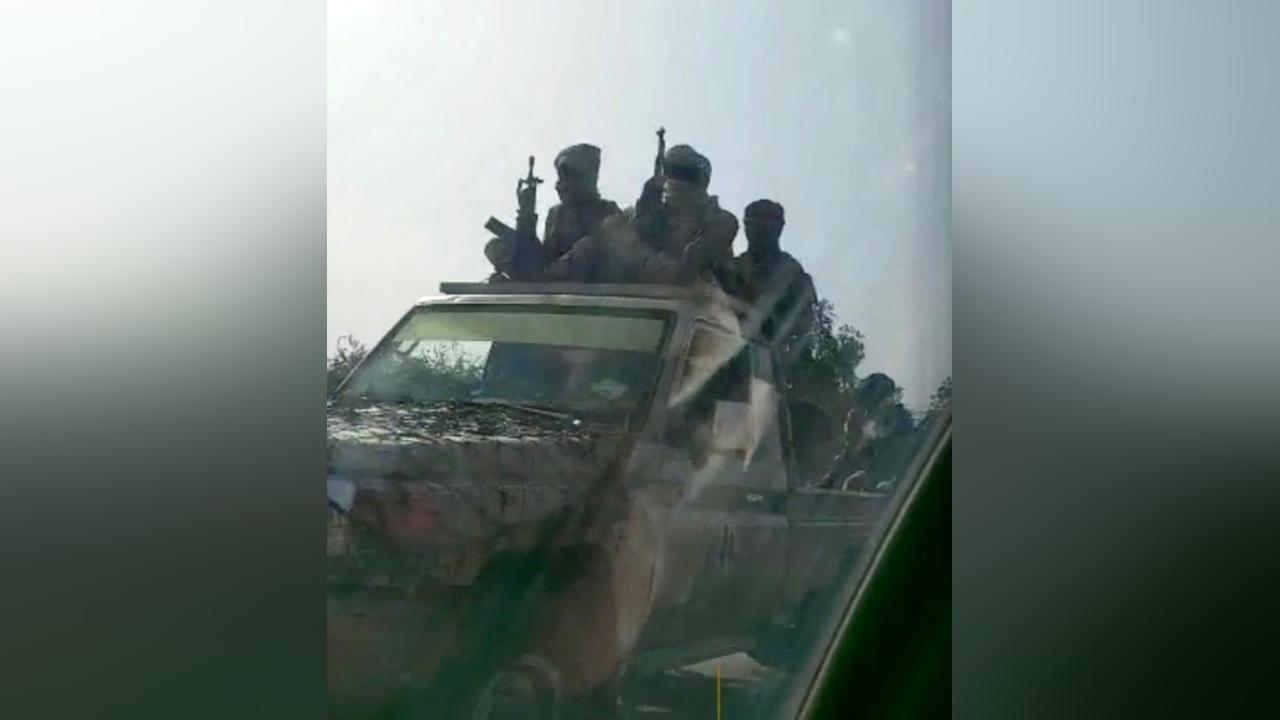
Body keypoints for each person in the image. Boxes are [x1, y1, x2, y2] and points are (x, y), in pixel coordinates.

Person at [484, 144, 621, 280]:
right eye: (560, 178)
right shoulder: (557, 214)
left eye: (568, 178)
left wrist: (566, 264)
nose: (559, 186)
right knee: (498, 247)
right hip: (556, 285)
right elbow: (543, 259)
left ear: (587, 179)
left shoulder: (608, 210)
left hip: (595, 283)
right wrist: (526, 215)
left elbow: (600, 251)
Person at [628, 144, 738, 283]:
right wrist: (644, 211)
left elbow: (688, 268)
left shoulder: (720, 221)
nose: (678, 181)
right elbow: (628, 256)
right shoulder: (651, 212)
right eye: (672, 173)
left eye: (686, 175)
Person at [732, 199, 816, 362]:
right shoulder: (733, 267)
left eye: (766, 225)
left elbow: (804, 325)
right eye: (753, 224)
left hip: (770, 355)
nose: (759, 230)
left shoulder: (791, 272)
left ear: (779, 228)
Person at [817, 373, 916, 491]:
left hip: (895, 478)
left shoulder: (900, 419)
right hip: (874, 473)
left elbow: (902, 454)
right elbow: (852, 453)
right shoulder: (867, 420)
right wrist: (830, 479)